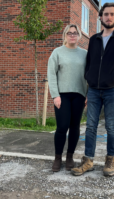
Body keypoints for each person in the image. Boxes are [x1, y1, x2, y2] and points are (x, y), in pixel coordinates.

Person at [71, 2, 114, 177]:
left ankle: (111, 159)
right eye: (105, 14)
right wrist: (89, 77)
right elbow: (90, 62)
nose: (108, 17)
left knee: (111, 126)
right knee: (90, 126)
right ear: (100, 17)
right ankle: (88, 161)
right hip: (93, 90)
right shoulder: (94, 39)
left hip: (112, 90)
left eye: (112, 14)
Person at [47, 24, 88, 172]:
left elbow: (89, 75)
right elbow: (51, 75)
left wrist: (87, 94)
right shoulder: (57, 52)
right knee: (62, 127)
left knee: (75, 127)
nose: (72, 35)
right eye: (69, 33)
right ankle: (58, 158)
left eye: (75, 33)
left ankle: (69, 157)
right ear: (65, 35)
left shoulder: (84, 54)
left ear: (79, 36)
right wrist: (55, 95)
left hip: (79, 95)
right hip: (62, 96)